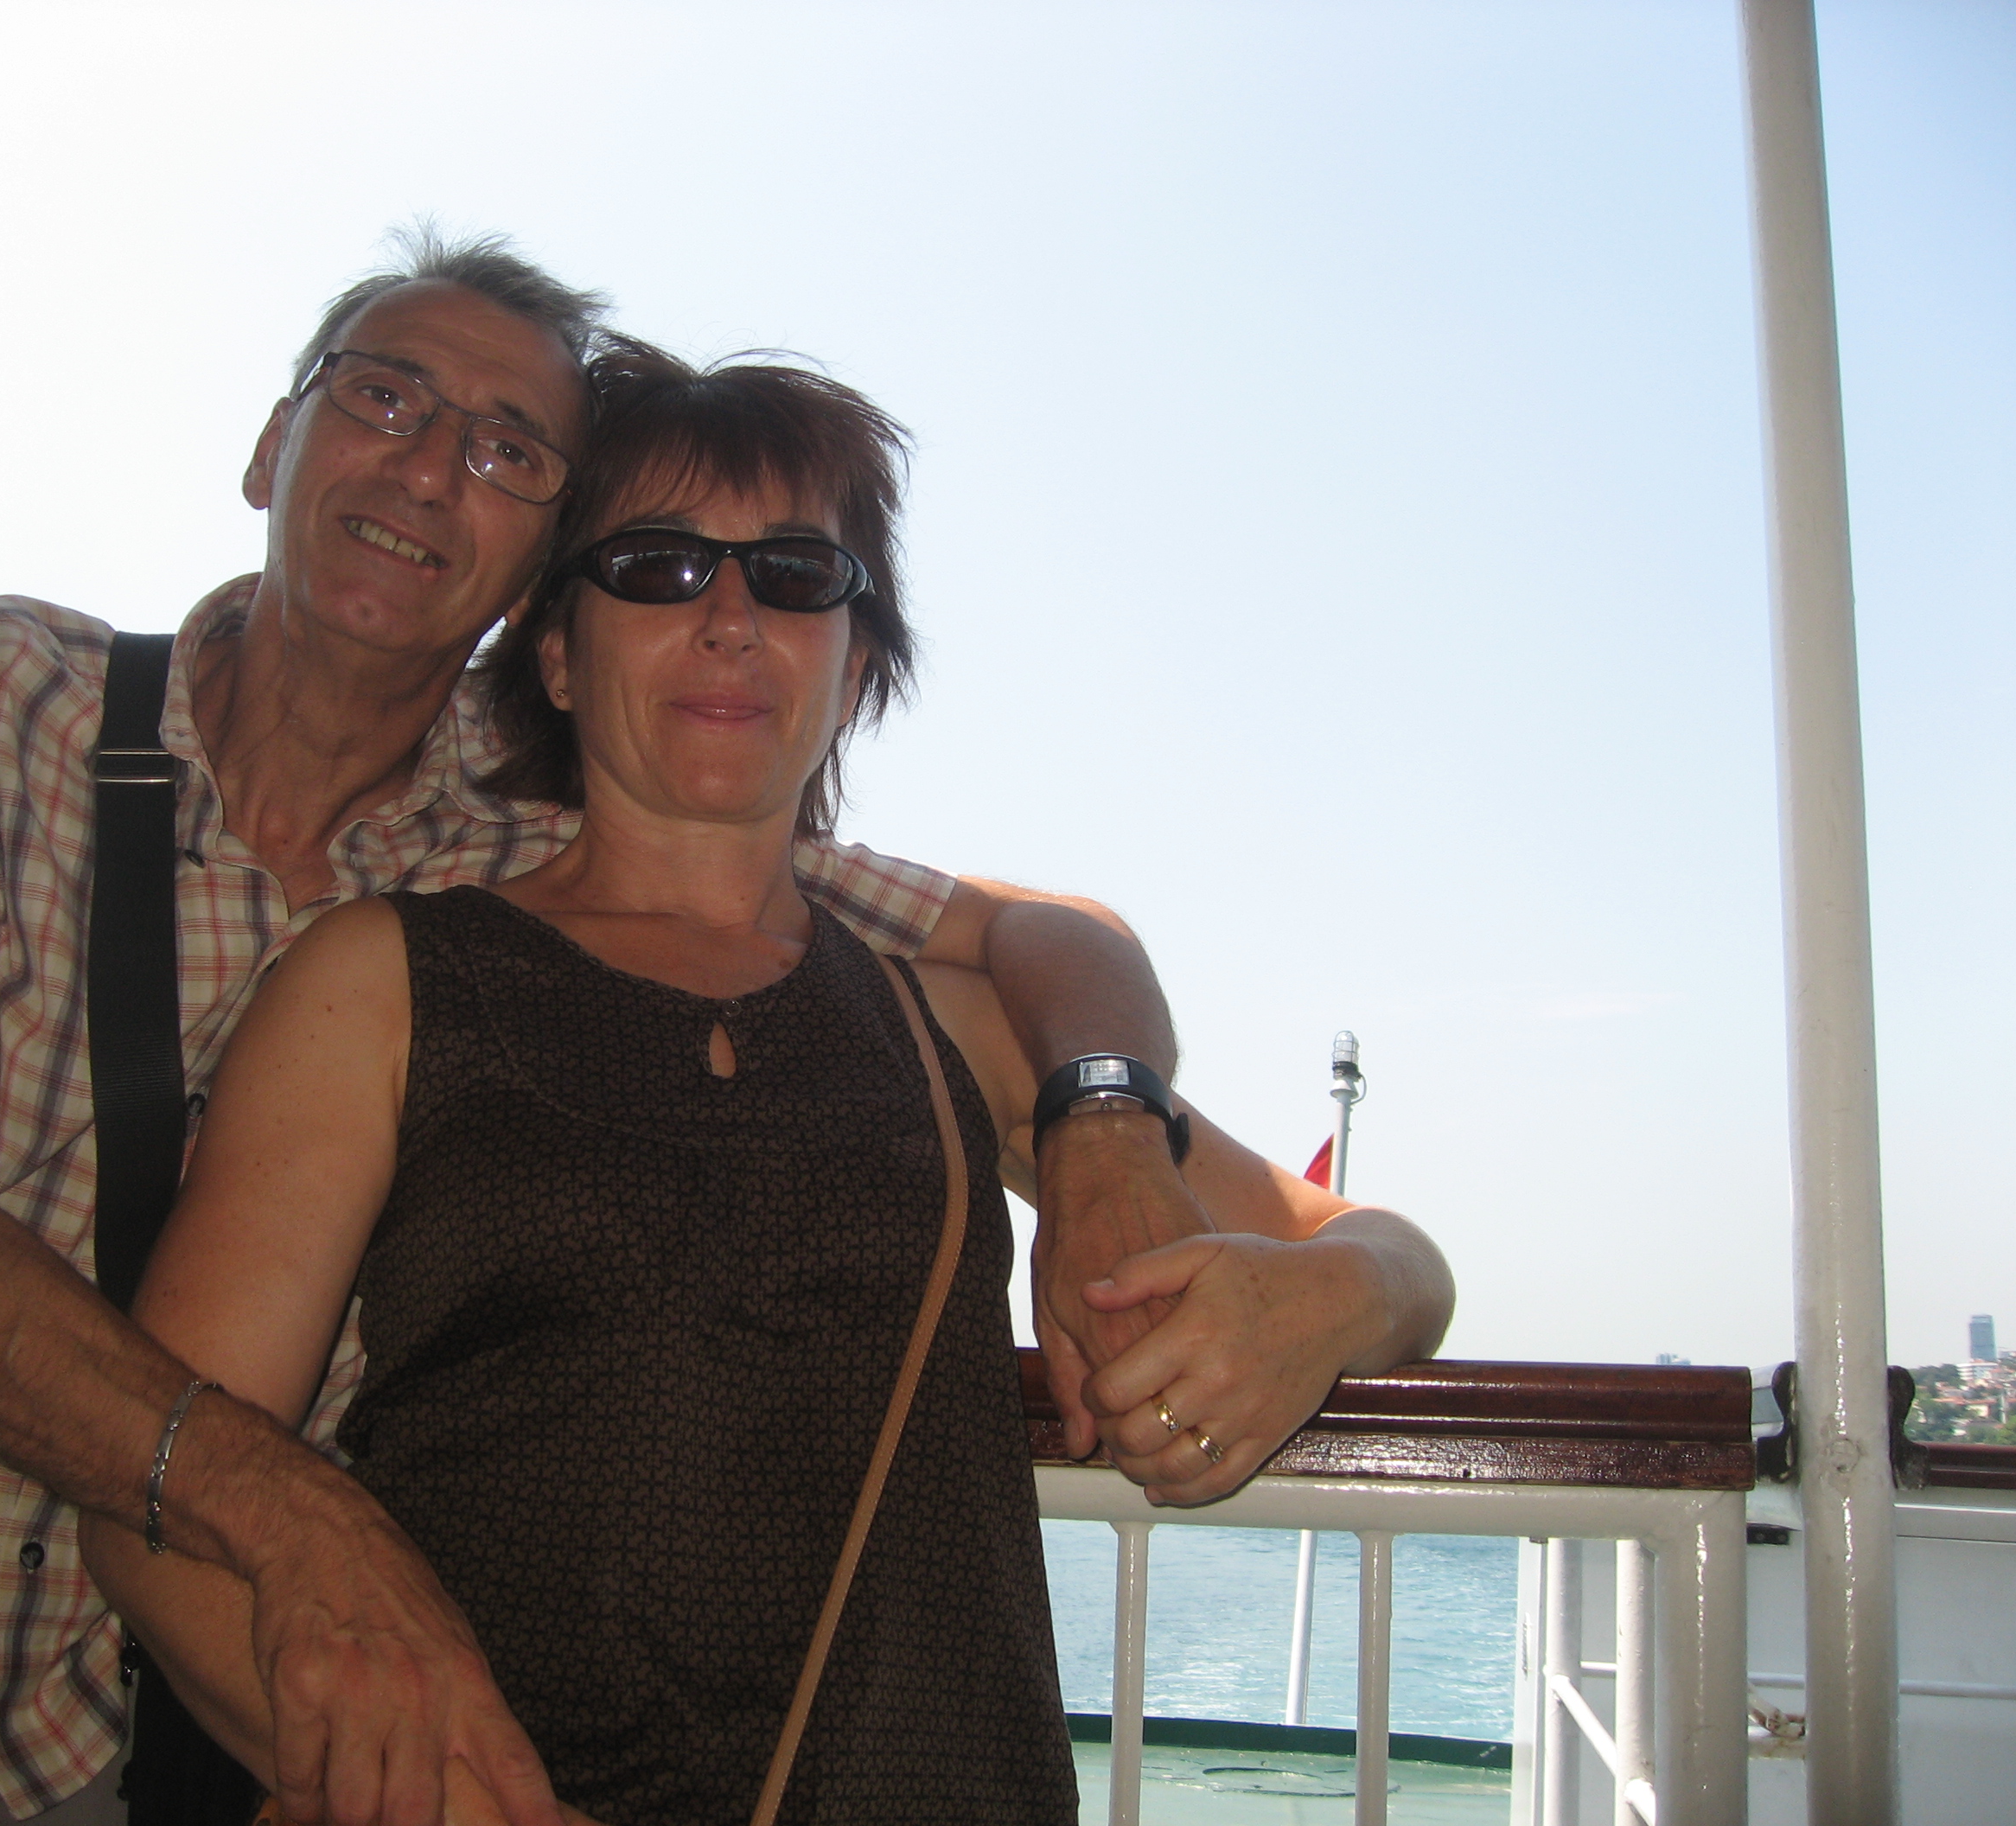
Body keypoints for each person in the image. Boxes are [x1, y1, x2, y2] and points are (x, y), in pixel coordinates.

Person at [0, 233, 1210, 1826]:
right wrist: (297, 1518)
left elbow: (1031, 929)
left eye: (510, 453)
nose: (431, 468)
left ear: (531, 591)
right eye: (382, 398)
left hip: (208, 1748)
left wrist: (1107, 1127)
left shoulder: (539, 854)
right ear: (269, 445)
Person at [80, 343, 1454, 1826]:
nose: (730, 619)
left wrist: (1321, 1302)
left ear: (856, 666)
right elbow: (155, 1506)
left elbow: (1385, 1256)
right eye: (657, 567)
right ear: (558, 652)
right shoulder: (384, 984)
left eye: (798, 576)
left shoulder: (950, 1026)